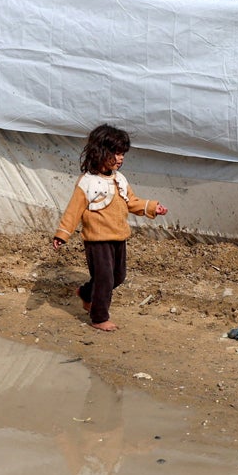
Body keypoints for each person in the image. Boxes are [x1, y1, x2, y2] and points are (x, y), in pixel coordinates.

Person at [51, 124, 168, 331]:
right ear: (100, 152)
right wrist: (63, 234)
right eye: (116, 153)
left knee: (118, 276)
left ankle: (87, 294)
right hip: (97, 240)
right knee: (105, 278)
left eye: (122, 153)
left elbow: (131, 201)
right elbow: (73, 210)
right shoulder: (87, 182)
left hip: (118, 237)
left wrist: (151, 207)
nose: (120, 158)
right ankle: (98, 317)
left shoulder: (119, 179)